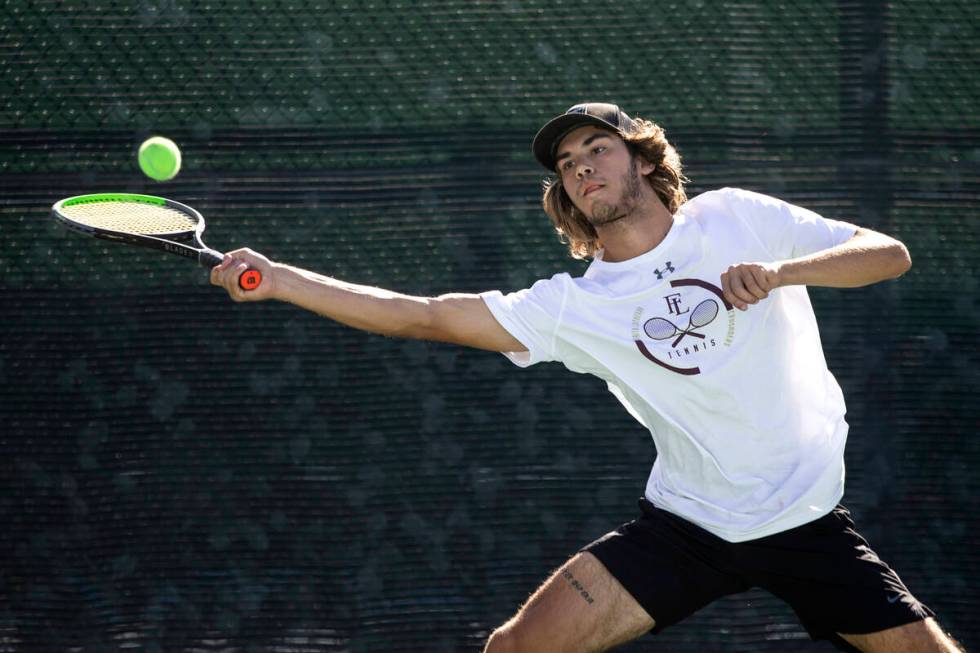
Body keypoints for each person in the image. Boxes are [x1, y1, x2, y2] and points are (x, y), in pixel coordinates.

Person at [211, 103, 964, 653]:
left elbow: (886, 252)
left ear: (640, 157)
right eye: (568, 165)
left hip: (807, 521)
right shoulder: (575, 304)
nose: (580, 167)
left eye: (595, 148)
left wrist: (779, 272)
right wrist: (280, 280)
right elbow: (426, 316)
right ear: (566, 197)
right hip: (689, 527)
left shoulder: (735, 217)